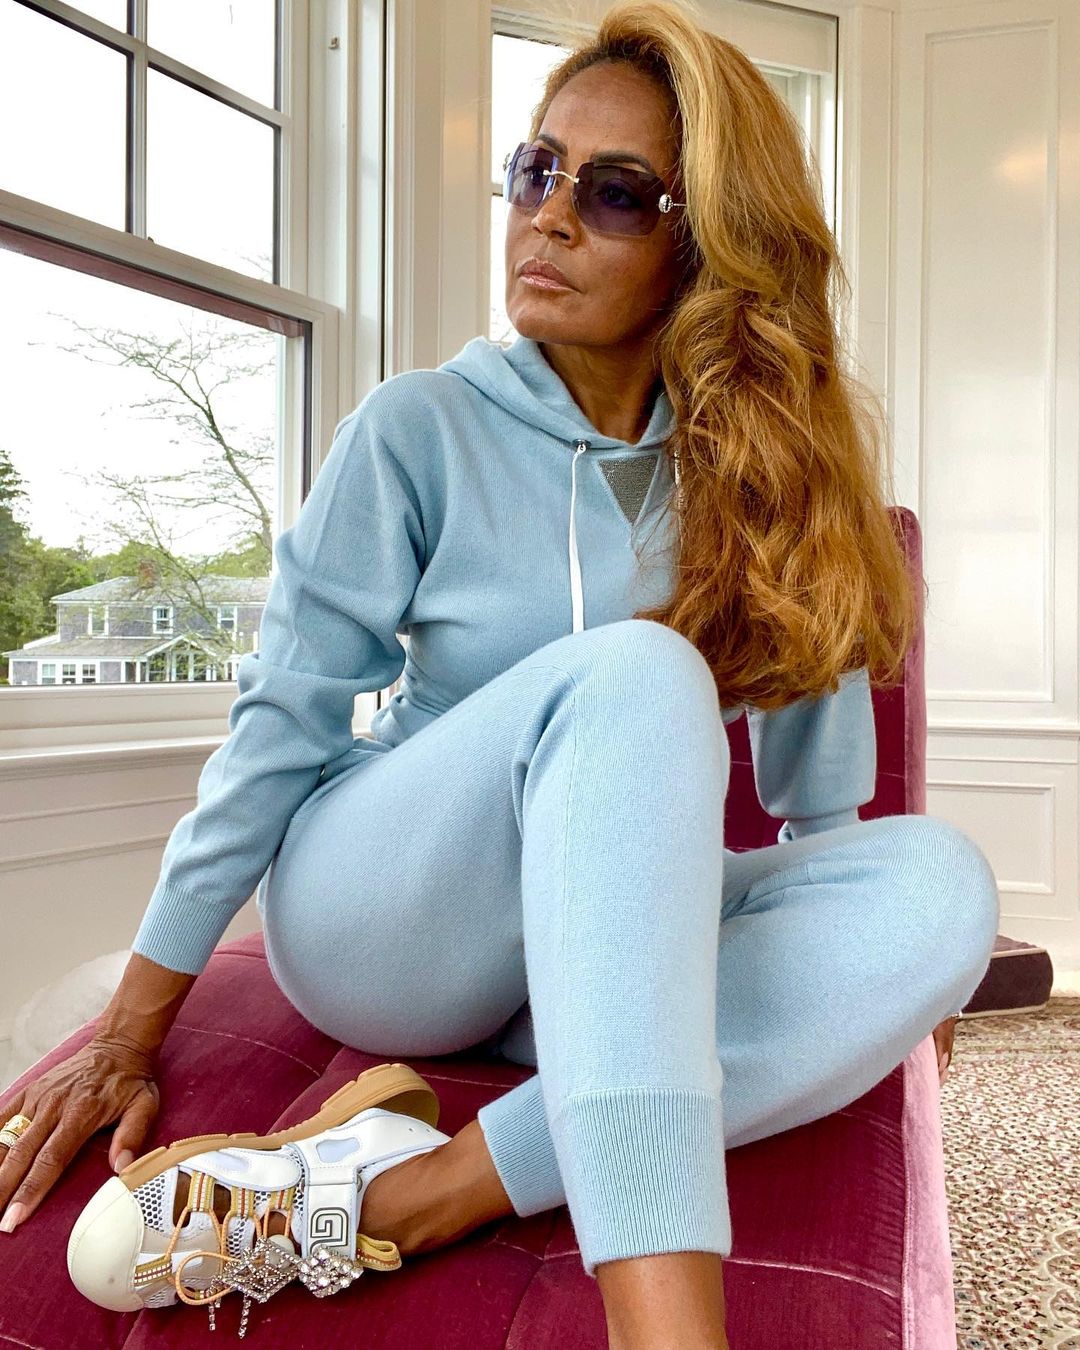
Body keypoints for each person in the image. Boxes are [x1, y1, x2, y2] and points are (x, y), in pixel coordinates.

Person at [0, 3, 998, 1346]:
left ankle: (420, 1190)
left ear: (706, 240)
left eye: (615, 192)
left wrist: (878, 976)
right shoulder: (416, 428)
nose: (550, 216)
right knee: (639, 671)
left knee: (942, 887)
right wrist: (132, 1026)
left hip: (587, 939)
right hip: (390, 916)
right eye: (535, 171)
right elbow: (280, 727)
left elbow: (821, 808)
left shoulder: (764, 469)